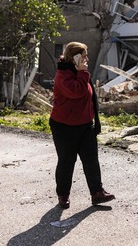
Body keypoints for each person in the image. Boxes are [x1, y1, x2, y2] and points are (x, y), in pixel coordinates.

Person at [49, 41, 114, 209]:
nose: (87, 60)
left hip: (85, 125)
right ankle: (63, 195)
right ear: (75, 58)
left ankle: (97, 193)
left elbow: (88, 96)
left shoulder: (79, 72)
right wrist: (83, 72)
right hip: (64, 126)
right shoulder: (63, 75)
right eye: (84, 56)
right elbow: (78, 91)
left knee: (91, 160)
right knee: (66, 161)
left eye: (86, 56)